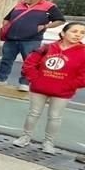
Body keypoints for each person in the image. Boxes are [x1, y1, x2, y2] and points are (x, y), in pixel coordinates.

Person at [13, 22, 85, 154]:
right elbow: (30, 63)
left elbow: (83, 75)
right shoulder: (47, 47)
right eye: (74, 31)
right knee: (33, 113)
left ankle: (48, 142)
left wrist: (69, 85)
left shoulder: (83, 52)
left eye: (82, 33)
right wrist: (35, 79)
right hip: (39, 88)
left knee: (55, 117)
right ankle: (25, 137)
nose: (78, 35)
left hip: (63, 92)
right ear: (63, 33)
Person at [0, 0, 65, 91]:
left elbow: (60, 20)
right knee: (6, 60)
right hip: (11, 39)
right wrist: (6, 26)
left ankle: (24, 83)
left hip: (31, 40)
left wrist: (45, 27)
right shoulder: (20, 5)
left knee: (29, 62)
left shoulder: (49, 6)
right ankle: (0, 79)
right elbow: (7, 18)